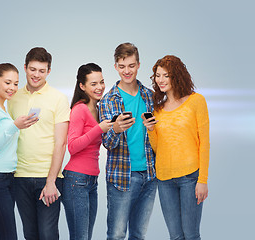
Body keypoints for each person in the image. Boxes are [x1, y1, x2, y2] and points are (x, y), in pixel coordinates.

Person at [142, 55, 210, 240]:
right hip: (164, 179)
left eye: (166, 75)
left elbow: (204, 143)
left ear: (176, 76)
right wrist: (150, 130)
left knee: (191, 234)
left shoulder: (196, 101)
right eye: (158, 75)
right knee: (175, 236)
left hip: (190, 177)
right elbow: (158, 147)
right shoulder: (158, 109)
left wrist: (202, 180)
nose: (161, 80)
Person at [7, 47, 70, 240]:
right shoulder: (13, 97)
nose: (36, 75)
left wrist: (51, 181)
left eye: (42, 71)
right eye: (33, 69)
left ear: (49, 71)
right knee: (30, 234)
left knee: (48, 234)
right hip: (19, 176)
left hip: (47, 177)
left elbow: (61, 143)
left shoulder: (59, 98)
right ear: (25, 68)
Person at [99, 43, 157, 240]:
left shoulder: (150, 96)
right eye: (122, 66)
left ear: (138, 65)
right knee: (116, 235)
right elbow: (107, 143)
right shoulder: (108, 100)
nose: (127, 71)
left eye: (131, 66)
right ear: (115, 66)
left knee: (139, 234)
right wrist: (115, 129)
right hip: (121, 176)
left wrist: (153, 128)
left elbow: (159, 134)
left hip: (149, 175)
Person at [0, 63, 37, 240]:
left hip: (7, 177)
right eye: (8, 82)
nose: (12, 88)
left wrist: (18, 126)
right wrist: (13, 126)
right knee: (8, 235)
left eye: (16, 83)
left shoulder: (3, 107)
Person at [62, 63, 113, 240]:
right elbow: (73, 146)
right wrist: (99, 128)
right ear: (82, 86)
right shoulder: (79, 109)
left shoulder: (99, 109)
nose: (99, 87)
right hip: (76, 181)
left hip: (91, 181)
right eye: (93, 84)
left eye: (101, 82)